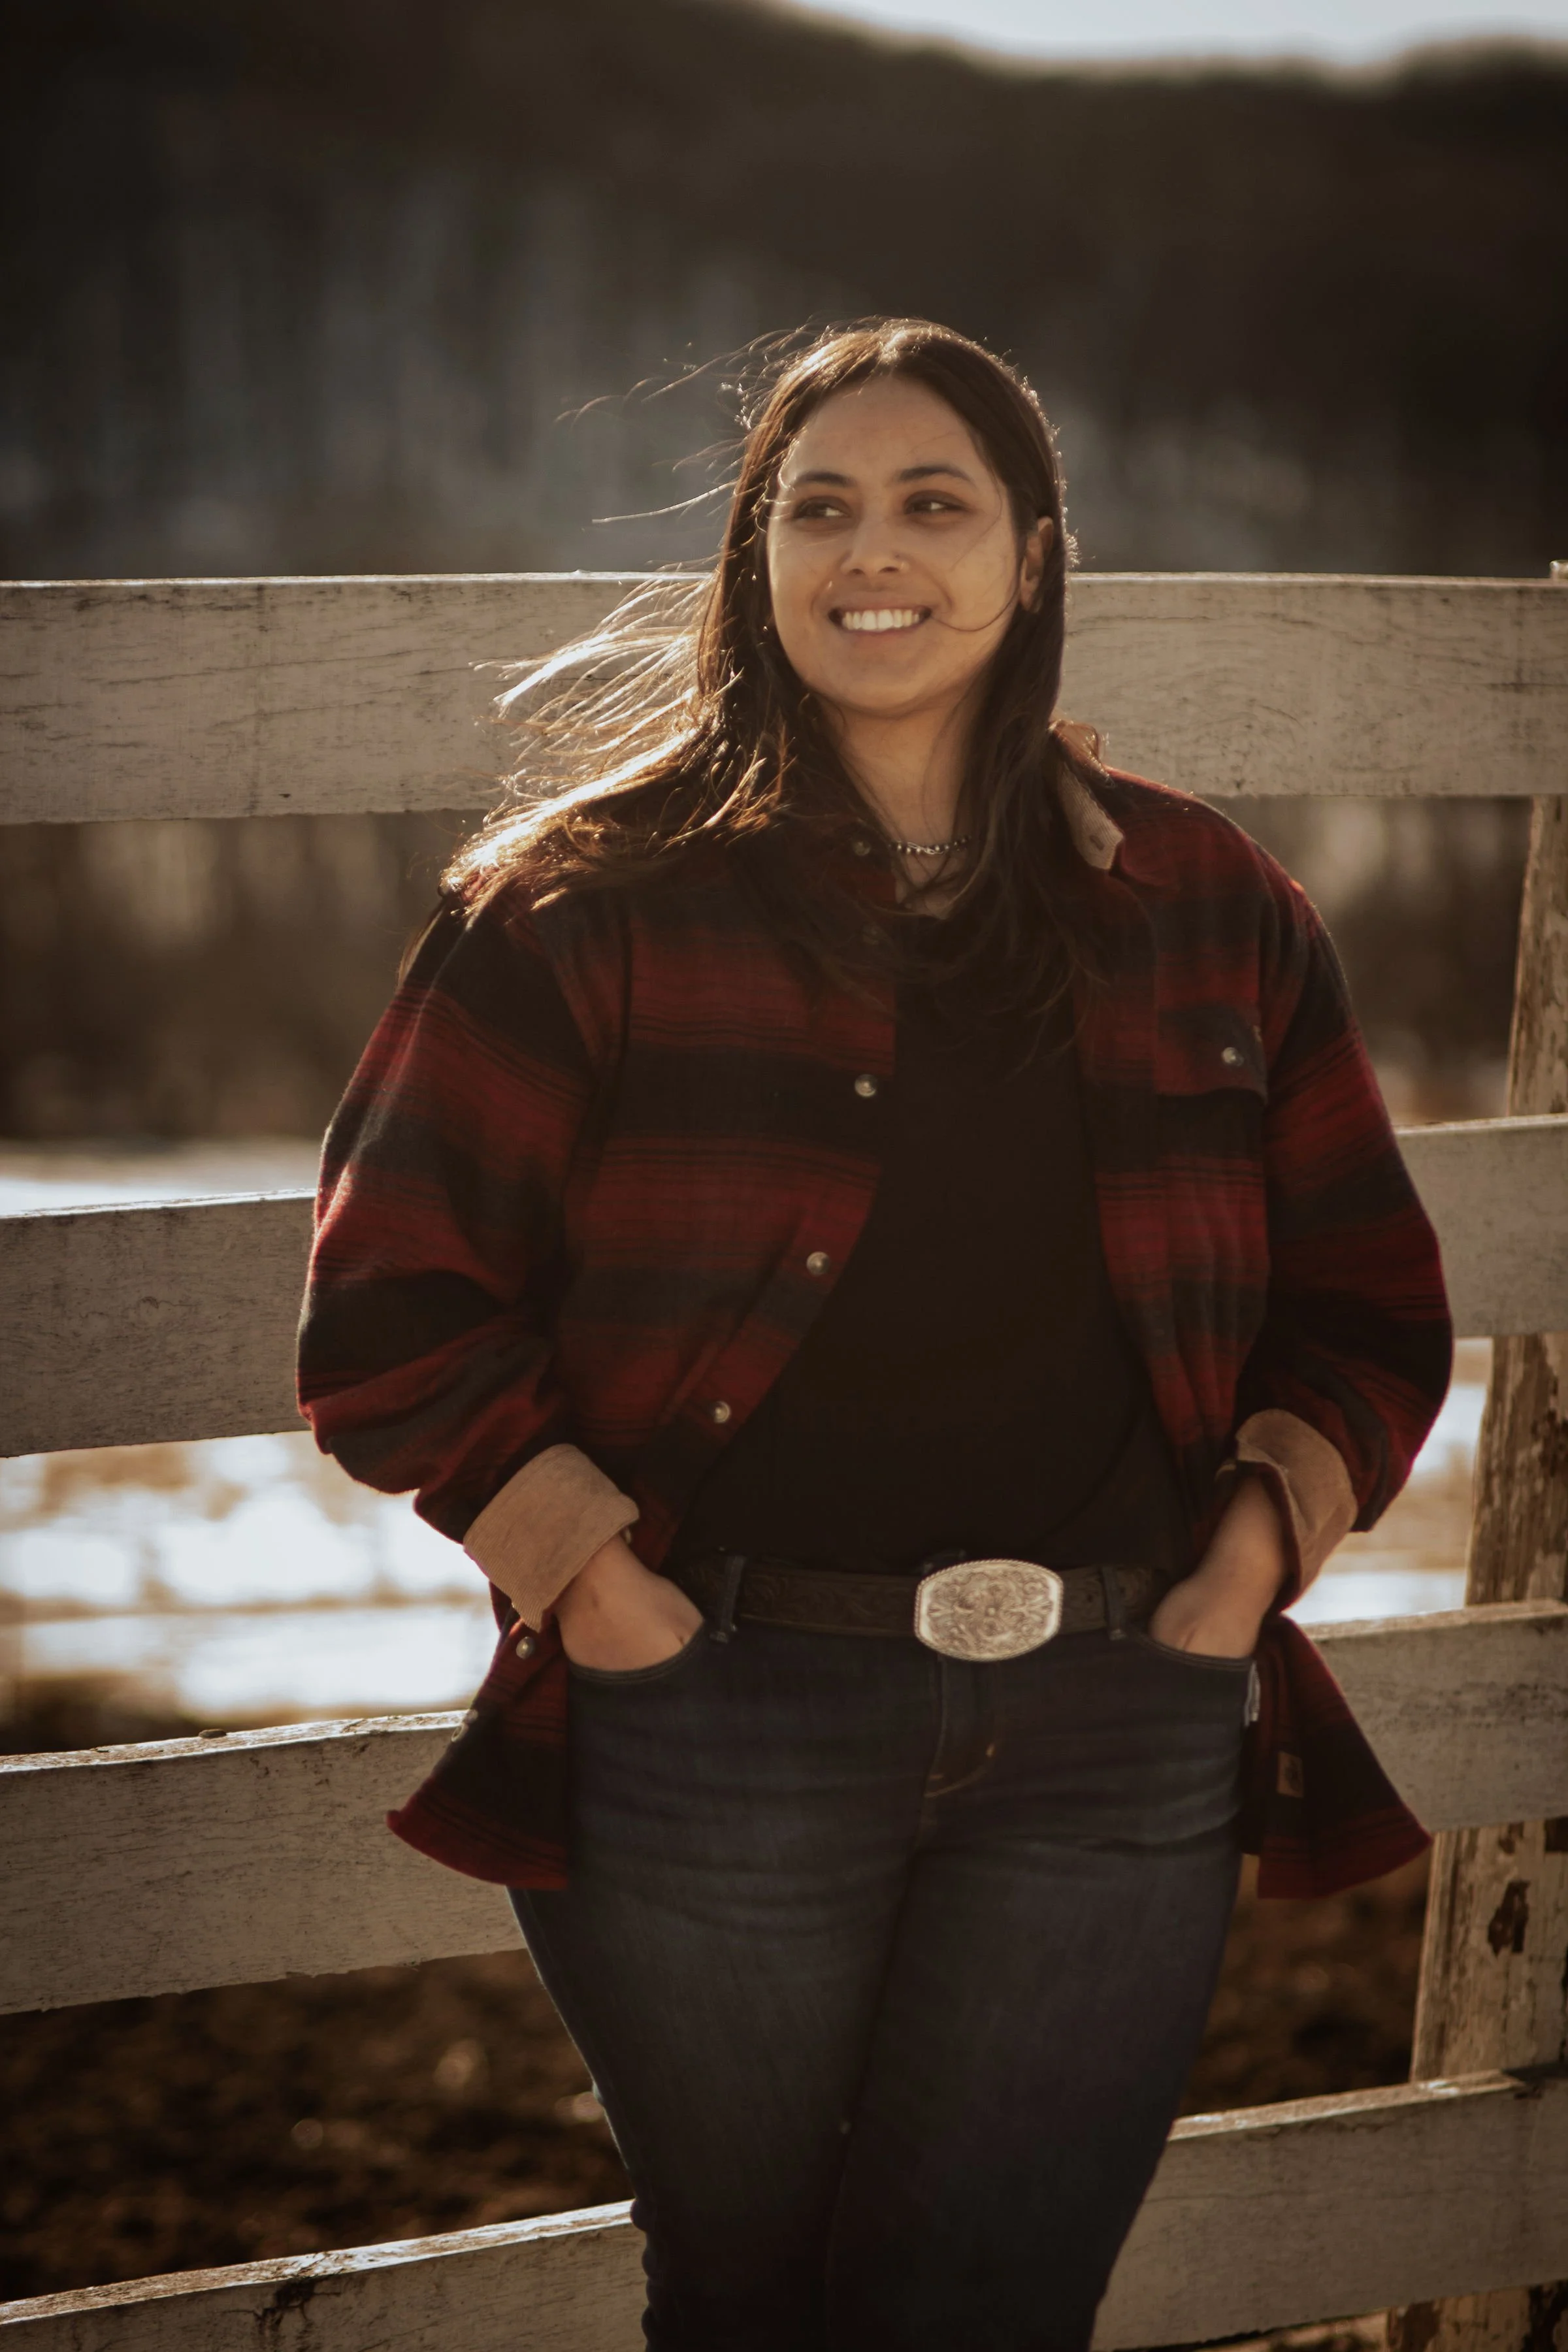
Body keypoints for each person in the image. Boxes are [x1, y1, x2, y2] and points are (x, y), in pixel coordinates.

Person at [298, 318, 1451, 2351]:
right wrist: (604, 1590)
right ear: (754, 558)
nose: (872, 550)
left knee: (989, 2315)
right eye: (815, 506)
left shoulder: (1207, 902)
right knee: (750, 2308)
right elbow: (392, 1301)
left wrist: (1241, 1575)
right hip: (712, 1718)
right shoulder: (586, 904)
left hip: (1119, 1724)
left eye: (935, 503)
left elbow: (1365, 1299)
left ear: (1032, 553)